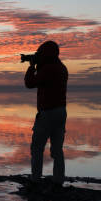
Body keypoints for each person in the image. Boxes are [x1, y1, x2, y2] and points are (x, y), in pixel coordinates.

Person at [24, 41, 68, 188]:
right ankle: (58, 180)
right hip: (61, 112)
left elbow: (30, 83)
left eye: (40, 54)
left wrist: (31, 66)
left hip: (47, 113)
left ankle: (35, 179)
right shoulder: (62, 68)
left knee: (37, 148)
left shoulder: (48, 69)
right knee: (57, 149)